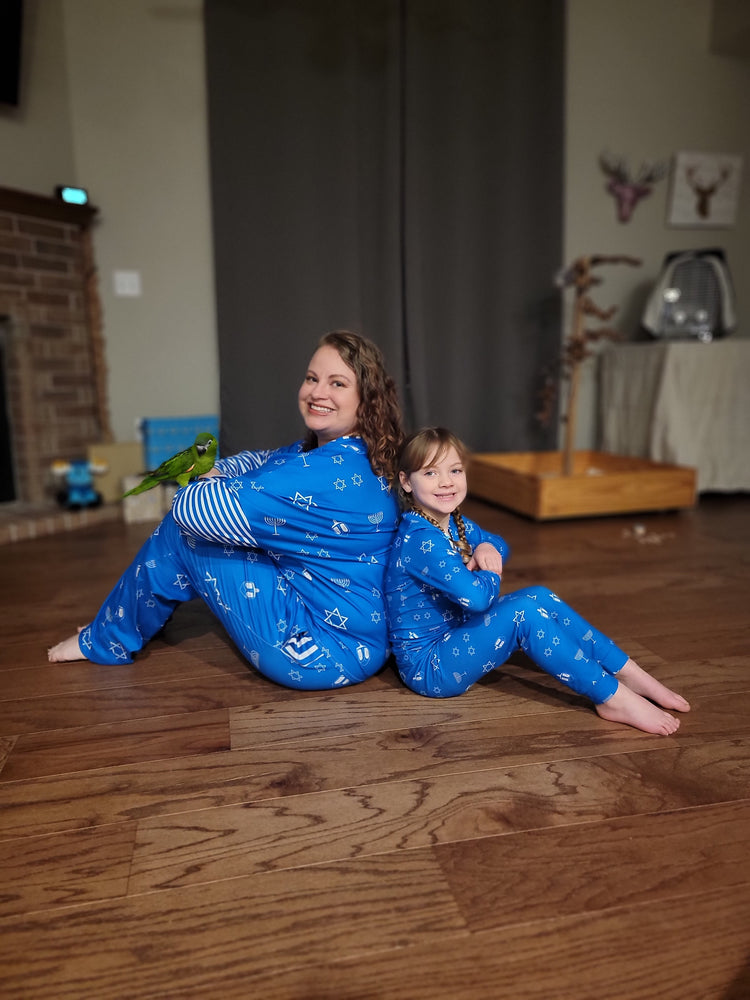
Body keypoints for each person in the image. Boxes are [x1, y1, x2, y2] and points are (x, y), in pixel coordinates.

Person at [49, 331, 404, 691]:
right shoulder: (353, 455)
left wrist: (208, 477)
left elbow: (189, 509)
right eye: (312, 378)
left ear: (366, 399)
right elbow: (263, 459)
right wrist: (220, 474)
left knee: (184, 532)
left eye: (338, 383)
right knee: (225, 518)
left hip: (318, 653)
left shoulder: (317, 474)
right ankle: (121, 622)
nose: (317, 392)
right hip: (365, 640)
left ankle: (110, 635)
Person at [384, 427, 690, 735]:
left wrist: (485, 547)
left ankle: (627, 672)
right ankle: (611, 697)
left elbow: (499, 543)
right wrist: (489, 571)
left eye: (455, 470)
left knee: (538, 595)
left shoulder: (453, 521)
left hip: (456, 637)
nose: (447, 482)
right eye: (431, 473)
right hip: (431, 666)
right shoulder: (421, 539)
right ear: (407, 482)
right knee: (523, 613)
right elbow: (478, 600)